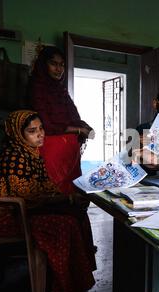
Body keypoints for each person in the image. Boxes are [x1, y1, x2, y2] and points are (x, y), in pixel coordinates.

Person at [0, 110, 96, 292]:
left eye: (41, 128)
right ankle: (61, 287)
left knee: (76, 213)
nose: (40, 134)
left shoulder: (32, 153)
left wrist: (69, 198)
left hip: (22, 210)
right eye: (32, 131)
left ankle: (76, 280)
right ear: (17, 133)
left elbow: (45, 186)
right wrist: (66, 199)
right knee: (63, 224)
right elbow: (28, 195)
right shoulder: (13, 157)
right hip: (3, 216)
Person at [28, 45, 94, 194]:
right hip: (50, 149)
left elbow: (73, 116)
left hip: (69, 150)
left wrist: (85, 127)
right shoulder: (37, 88)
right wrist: (78, 130)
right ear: (44, 65)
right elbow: (46, 125)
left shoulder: (60, 89)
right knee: (56, 194)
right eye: (53, 64)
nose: (59, 69)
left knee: (73, 194)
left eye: (62, 65)